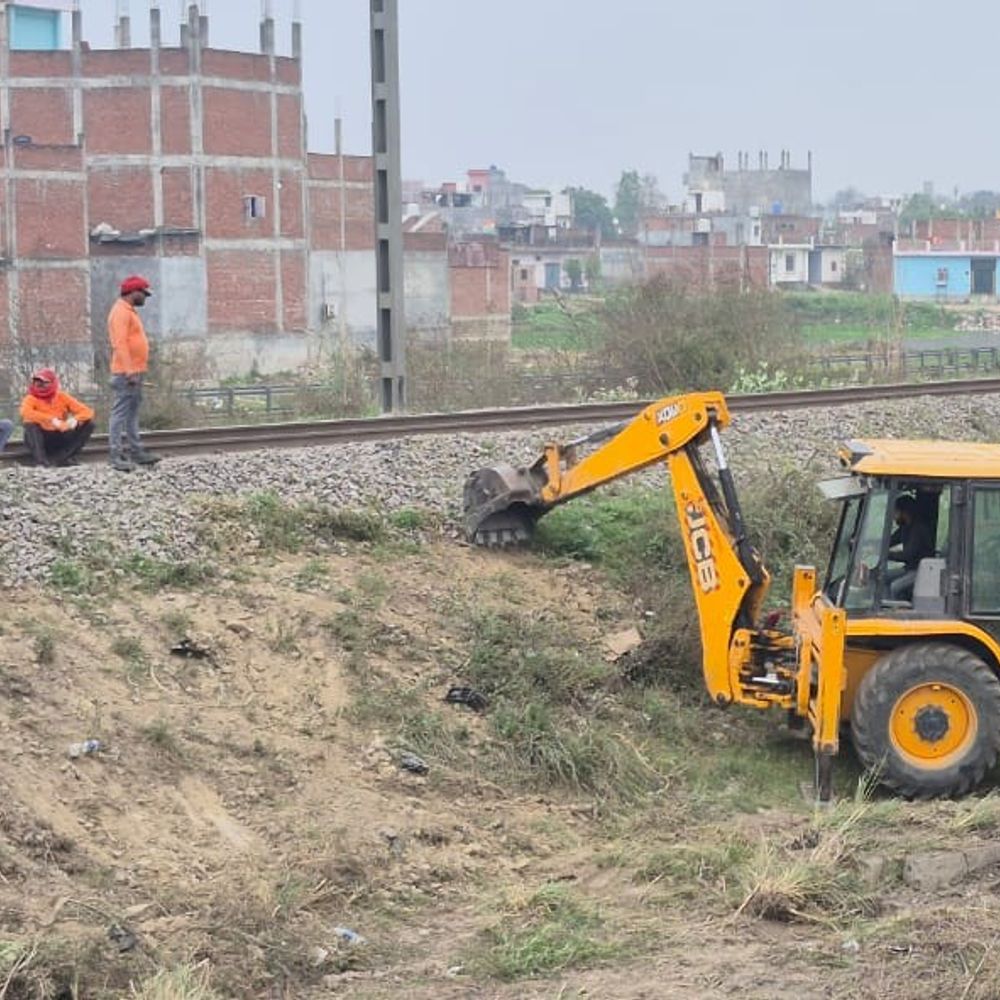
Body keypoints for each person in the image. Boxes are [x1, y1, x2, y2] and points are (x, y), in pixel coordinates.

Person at [107, 274, 160, 472]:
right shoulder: (120, 312)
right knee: (120, 414)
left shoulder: (128, 311)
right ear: (133, 292)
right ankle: (115, 455)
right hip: (126, 373)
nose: (145, 297)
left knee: (131, 413)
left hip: (133, 372)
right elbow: (119, 343)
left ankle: (136, 451)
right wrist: (129, 371)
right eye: (143, 293)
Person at [19, 368, 94, 467]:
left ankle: (64, 458)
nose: (40, 385)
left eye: (45, 382)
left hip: (59, 434)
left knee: (89, 424)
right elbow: (25, 412)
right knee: (29, 423)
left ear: (53, 383)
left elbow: (87, 411)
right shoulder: (30, 398)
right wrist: (51, 420)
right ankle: (41, 461)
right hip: (41, 436)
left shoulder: (62, 396)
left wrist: (76, 419)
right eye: (38, 382)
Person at [886, 494, 935, 600]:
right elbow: (889, 541)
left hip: (921, 571)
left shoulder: (919, 529)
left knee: (895, 587)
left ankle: (897, 608)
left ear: (904, 512)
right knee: (882, 577)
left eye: (895, 511)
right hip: (909, 569)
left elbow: (907, 555)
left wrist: (885, 554)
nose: (893, 516)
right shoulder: (905, 527)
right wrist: (873, 545)